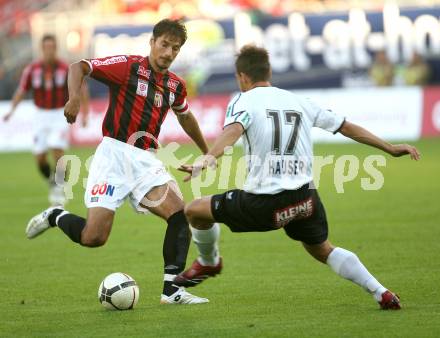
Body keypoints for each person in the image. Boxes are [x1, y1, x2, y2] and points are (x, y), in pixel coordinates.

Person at [173, 45, 421, 310]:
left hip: (265, 203)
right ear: (268, 71)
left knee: (194, 211)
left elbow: (233, 130)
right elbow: (346, 127)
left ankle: (209, 262)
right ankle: (380, 292)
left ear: (242, 76)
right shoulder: (299, 101)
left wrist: (209, 157)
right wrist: (391, 148)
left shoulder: (243, 100)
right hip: (304, 199)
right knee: (322, 249)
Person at [26, 19, 210, 304]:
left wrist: (206, 152)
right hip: (113, 156)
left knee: (180, 215)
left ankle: (172, 290)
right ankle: (55, 216)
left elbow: (185, 116)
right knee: (94, 237)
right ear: (152, 42)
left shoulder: (175, 85)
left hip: (146, 161)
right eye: (164, 44)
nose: (169, 52)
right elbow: (79, 67)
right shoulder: (128, 66)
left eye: (175, 48)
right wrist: (74, 98)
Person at [3, 34, 90, 206]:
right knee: (40, 158)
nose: (49, 51)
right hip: (40, 115)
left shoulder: (66, 68)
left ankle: (59, 186)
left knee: (57, 150)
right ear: (42, 49)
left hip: (60, 113)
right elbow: (21, 90)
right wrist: (11, 110)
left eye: (52, 47)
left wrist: (85, 112)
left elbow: (82, 89)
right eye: (46, 47)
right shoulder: (33, 69)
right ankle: (52, 181)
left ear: (55, 48)